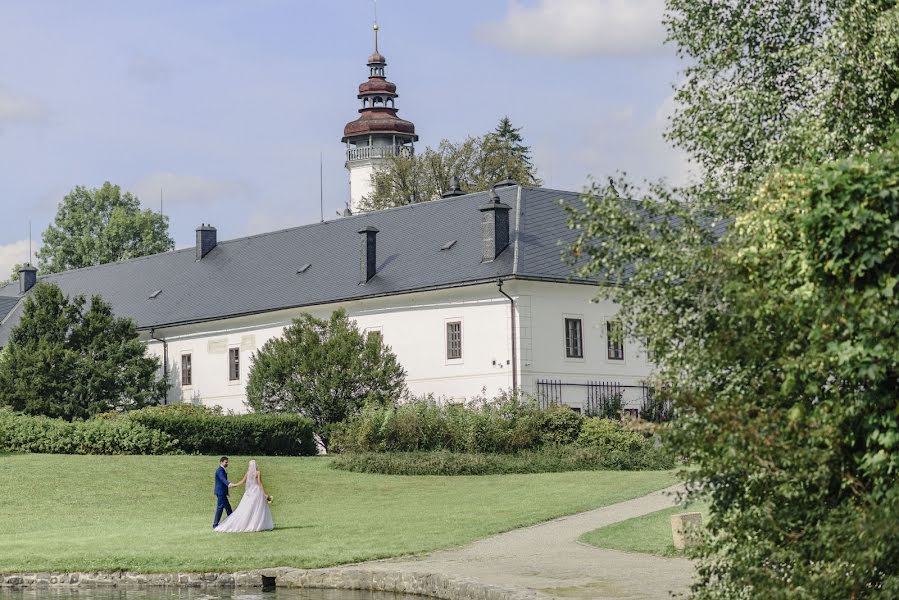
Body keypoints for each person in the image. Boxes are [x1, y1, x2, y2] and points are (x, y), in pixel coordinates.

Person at [214, 459, 273, 533]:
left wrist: (234, 485)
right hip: (256, 492)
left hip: (249, 493)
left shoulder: (248, 473)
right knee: (257, 508)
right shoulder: (258, 473)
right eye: (226, 462)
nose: (227, 463)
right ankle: (255, 524)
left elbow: (242, 482)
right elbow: (260, 484)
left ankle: (235, 522)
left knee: (247, 508)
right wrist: (265, 494)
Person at [213, 456, 238, 529]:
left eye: (227, 462)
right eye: (226, 462)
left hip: (223, 492)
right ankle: (215, 525)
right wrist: (229, 484)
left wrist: (227, 492)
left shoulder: (223, 470)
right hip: (220, 492)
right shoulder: (220, 470)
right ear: (221, 462)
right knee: (220, 508)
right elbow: (222, 479)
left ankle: (232, 522)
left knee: (228, 507)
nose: (227, 463)